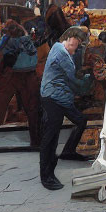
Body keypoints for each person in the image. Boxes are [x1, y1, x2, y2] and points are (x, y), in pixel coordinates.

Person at [39, 27, 93, 190]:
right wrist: (87, 80)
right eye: (76, 45)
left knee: (80, 120)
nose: (76, 49)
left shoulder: (58, 47)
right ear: (69, 39)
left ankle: (68, 151)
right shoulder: (62, 54)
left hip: (60, 97)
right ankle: (46, 176)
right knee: (51, 137)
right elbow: (74, 79)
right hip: (54, 98)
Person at [0, 21, 41, 146]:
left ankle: (34, 140)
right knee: (33, 109)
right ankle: (36, 139)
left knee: (27, 107)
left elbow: (5, 58)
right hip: (30, 75)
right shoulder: (28, 42)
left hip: (17, 75)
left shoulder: (11, 43)